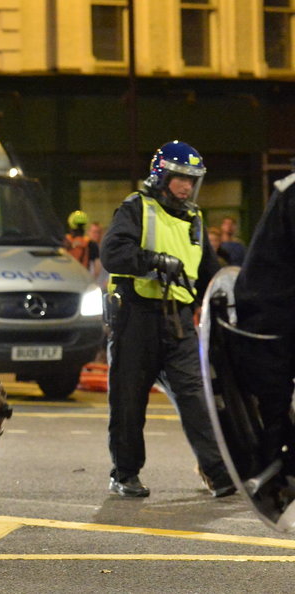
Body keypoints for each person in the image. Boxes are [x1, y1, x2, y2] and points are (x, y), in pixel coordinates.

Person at [100, 140, 235, 498]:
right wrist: (154, 261)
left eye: (192, 180)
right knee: (129, 402)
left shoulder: (195, 219)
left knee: (197, 399)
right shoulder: (136, 207)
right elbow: (113, 253)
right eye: (181, 178)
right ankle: (125, 473)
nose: (188, 186)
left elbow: (209, 273)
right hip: (136, 318)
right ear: (161, 176)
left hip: (178, 323)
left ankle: (218, 472)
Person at [232, 164, 295, 481]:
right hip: (271, 316)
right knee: (274, 405)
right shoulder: (292, 194)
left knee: (275, 401)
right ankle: (274, 473)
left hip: (272, 311)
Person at [64, 210, 101, 277]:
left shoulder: (65, 242)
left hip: (67, 277)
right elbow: (97, 268)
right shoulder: (90, 243)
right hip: (83, 278)